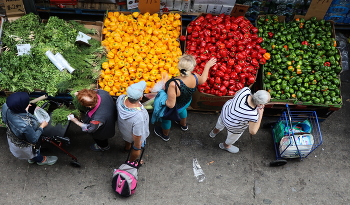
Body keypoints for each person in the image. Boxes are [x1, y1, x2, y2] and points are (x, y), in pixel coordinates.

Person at [153, 54, 217, 141]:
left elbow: (170, 105)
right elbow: (203, 79)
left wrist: (160, 97)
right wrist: (207, 66)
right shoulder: (195, 76)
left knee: (166, 119)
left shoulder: (174, 84)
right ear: (193, 67)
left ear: (178, 67)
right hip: (186, 102)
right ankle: (183, 125)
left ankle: (165, 135)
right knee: (183, 111)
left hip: (175, 107)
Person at [1, 92, 58, 165]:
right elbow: (33, 139)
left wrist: (25, 110)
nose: (28, 104)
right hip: (24, 144)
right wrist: (42, 126)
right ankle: (41, 160)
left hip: (13, 136)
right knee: (34, 152)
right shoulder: (25, 125)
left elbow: (6, 119)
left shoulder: (6, 106)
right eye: (26, 103)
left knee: (29, 154)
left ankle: (31, 158)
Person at [209, 88, 271, 153]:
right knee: (232, 137)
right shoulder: (253, 114)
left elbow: (236, 93)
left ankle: (213, 133)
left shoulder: (245, 90)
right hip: (233, 126)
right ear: (261, 104)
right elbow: (253, 131)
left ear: (257, 91)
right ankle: (225, 146)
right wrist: (260, 114)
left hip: (225, 113)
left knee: (219, 124)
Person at [116, 81, 149, 162]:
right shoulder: (139, 116)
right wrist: (137, 145)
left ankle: (127, 148)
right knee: (137, 148)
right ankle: (131, 161)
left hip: (124, 130)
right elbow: (137, 135)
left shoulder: (121, 98)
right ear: (141, 97)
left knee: (127, 139)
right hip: (134, 136)